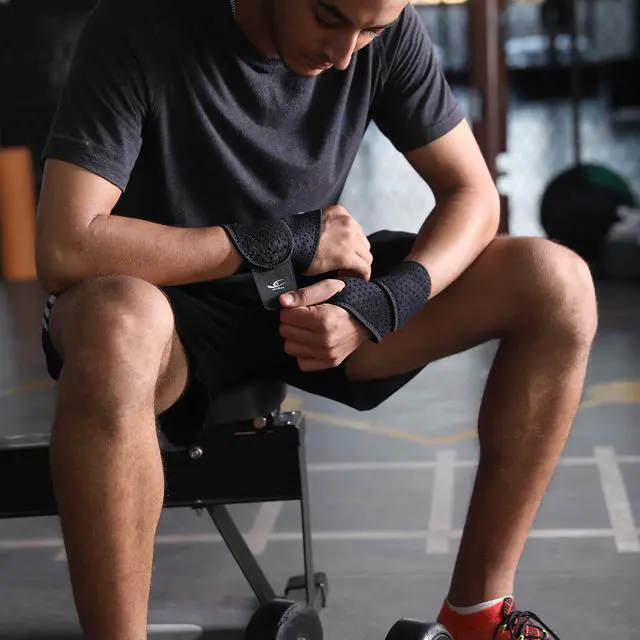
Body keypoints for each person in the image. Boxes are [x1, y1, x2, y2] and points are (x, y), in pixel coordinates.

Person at [34, 0, 597, 638]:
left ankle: (478, 614)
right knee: (117, 327)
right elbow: (66, 245)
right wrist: (282, 240)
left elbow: (473, 194)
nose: (345, 53)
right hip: (167, 306)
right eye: (329, 17)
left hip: (303, 293)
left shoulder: (381, 30)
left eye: (372, 30)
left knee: (557, 283)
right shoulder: (138, 24)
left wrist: (389, 301)